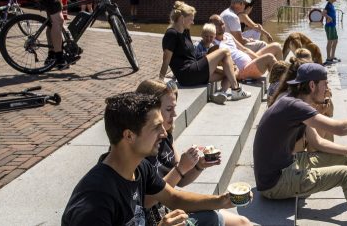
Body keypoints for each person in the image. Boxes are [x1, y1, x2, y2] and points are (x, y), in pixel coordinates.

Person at [253, 63, 347, 225]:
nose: (327, 88)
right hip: (275, 183)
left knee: (346, 160)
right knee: (346, 174)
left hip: (286, 165)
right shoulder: (295, 106)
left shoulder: (293, 100)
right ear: (312, 85)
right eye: (325, 84)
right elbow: (341, 128)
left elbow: (317, 142)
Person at [62, 92, 246, 225]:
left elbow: (174, 197)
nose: (164, 133)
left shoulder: (139, 167)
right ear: (129, 136)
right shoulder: (95, 201)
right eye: (156, 127)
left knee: (224, 220)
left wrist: (221, 200)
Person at [135, 80, 253, 226]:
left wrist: (198, 166)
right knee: (223, 220)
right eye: (169, 109)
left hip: (170, 210)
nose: (175, 114)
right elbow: (149, 199)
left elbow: (180, 182)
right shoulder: (138, 153)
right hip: (159, 219)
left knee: (243, 221)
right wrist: (181, 168)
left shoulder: (166, 136)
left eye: (175, 108)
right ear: (150, 112)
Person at [159, 1, 251, 103]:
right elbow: (166, 59)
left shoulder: (185, 31)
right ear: (182, 19)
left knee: (234, 71)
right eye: (191, 20)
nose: (193, 23)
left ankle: (222, 93)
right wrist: (161, 79)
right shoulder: (171, 34)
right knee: (225, 51)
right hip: (187, 74)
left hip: (194, 70)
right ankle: (236, 90)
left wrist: (218, 68)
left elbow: (190, 56)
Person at [209, 14, 282, 81]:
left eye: (222, 23)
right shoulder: (213, 43)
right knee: (269, 57)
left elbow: (244, 49)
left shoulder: (228, 35)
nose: (221, 26)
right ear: (211, 27)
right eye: (218, 25)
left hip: (250, 62)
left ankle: (282, 74)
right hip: (242, 70)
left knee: (276, 46)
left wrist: (257, 59)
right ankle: (278, 85)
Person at [322, 0, 340, 66]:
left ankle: (332, 56)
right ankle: (328, 58)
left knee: (335, 41)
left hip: (333, 26)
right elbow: (323, 13)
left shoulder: (331, 5)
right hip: (329, 26)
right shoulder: (328, 5)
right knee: (330, 41)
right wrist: (328, 17)